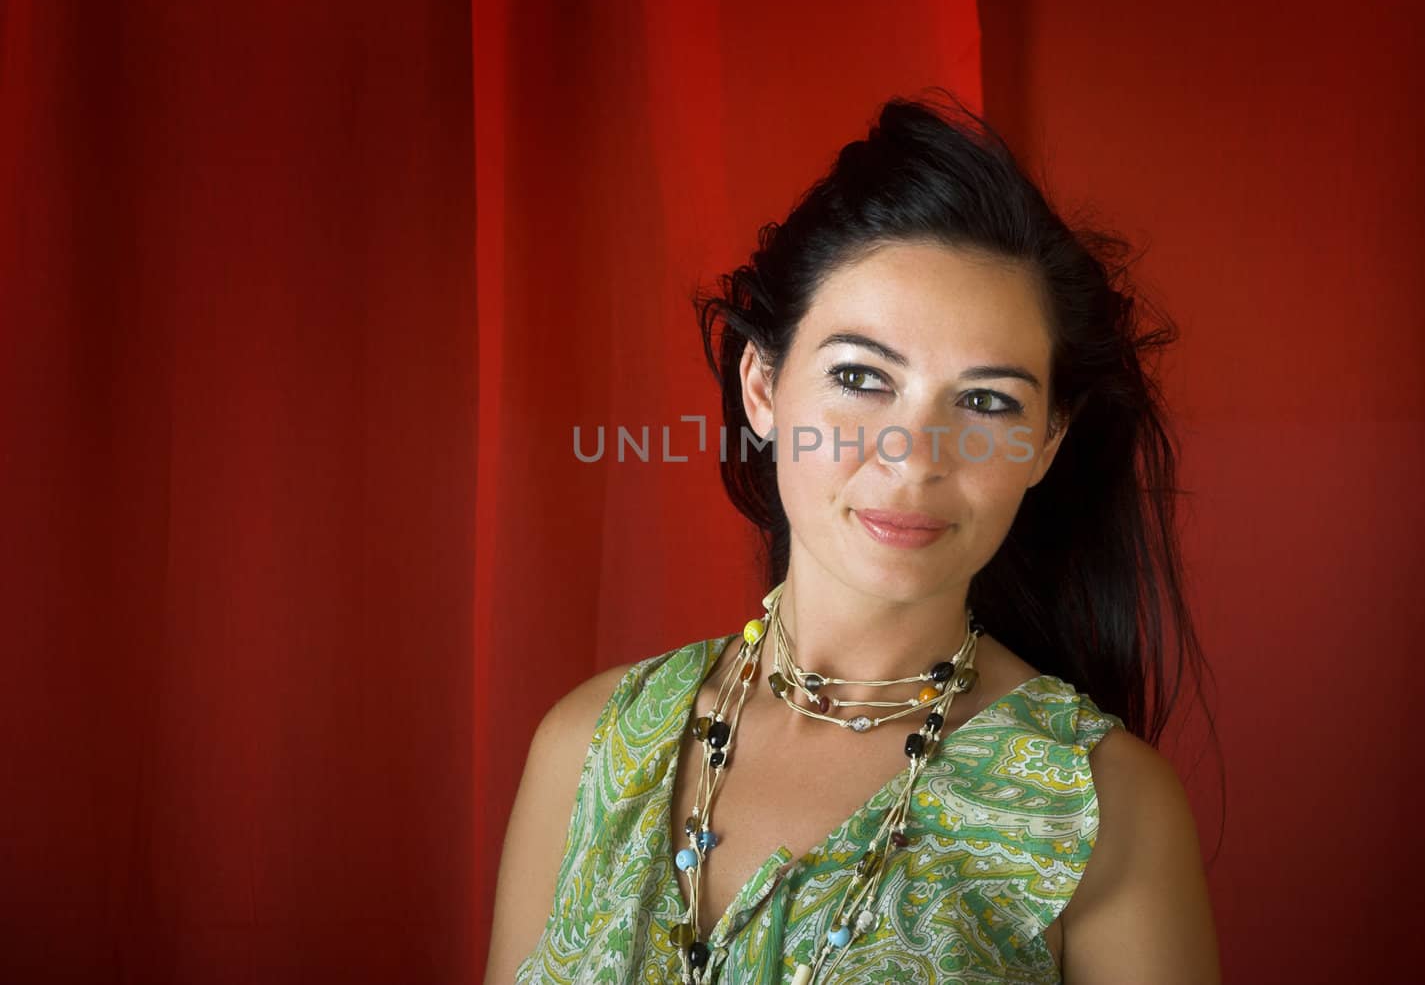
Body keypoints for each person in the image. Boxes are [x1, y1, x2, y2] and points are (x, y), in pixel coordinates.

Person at [483, 93, 1221, 984]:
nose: (913, 460)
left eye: (987, 401)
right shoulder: (590, 745)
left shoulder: (1105, 809)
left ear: (1047, 441)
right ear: (763, 387)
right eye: (861, 377)